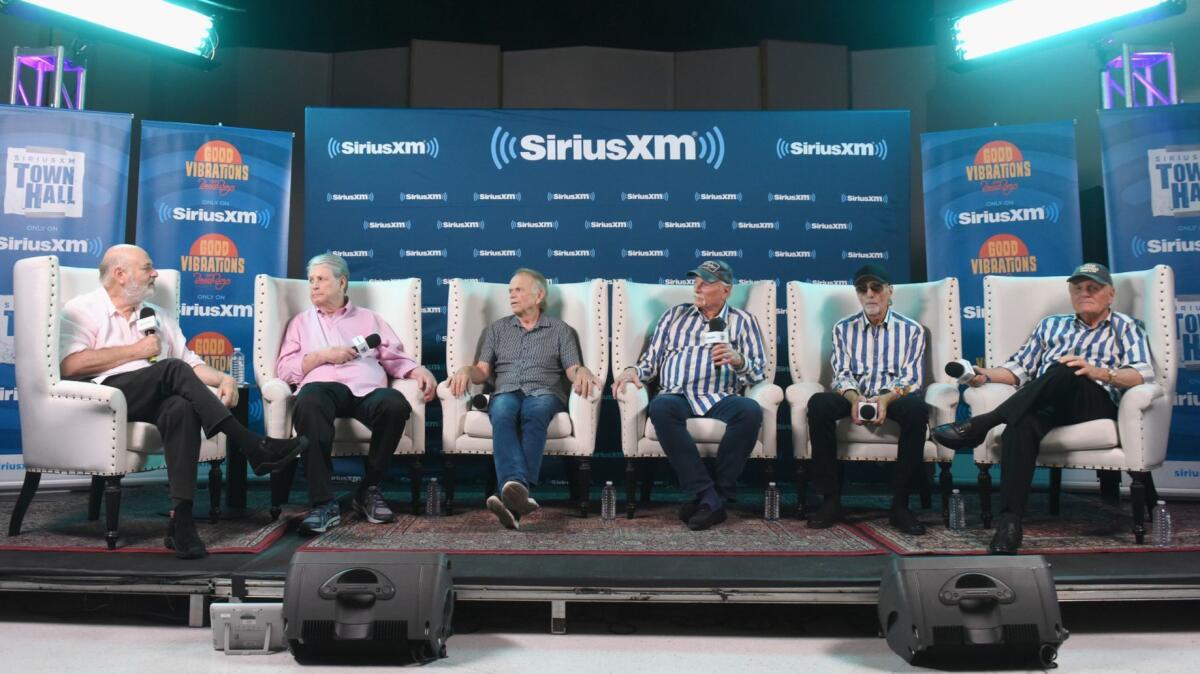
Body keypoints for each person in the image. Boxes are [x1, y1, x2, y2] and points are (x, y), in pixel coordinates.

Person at [60, 245, 307, 559]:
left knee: (182, 407)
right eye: (147, 267)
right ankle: (251, 445)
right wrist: (136, 351)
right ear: (120, 274)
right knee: (172, 369)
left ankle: (183, 521)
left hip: (157, 392)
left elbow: (191, 363)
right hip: (109, 397)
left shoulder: (156, 315)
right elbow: (70, 365)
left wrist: (224, 379)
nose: (155, 274)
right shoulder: (82, 308)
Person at [932, 262, 1154, 554]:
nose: (1084, 293)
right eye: (1078, 288)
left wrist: (1098, 372)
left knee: (1067, 368)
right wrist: (981, 375)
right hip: (1048, 402)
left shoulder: (1125, 326)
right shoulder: (1051, 325)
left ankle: (982, 424)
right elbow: (1018, 370)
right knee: (1018, 427)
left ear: (1110, 294)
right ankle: (1010, 524)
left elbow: (1140, 373)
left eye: (1093, 288)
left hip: (1094, 402)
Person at [276, 254, 437, 534]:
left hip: (367, 390)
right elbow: (285, 370)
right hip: (322, 389)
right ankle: (323, 503)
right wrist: (323, 356)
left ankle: (368, 490)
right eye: (311, 280)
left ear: (342, 282)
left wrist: (417, 371)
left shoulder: (369, 319)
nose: (313, 286)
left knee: (394, 403)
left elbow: (393, 357)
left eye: (321, 279)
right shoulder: (300, 323)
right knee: (309, 400)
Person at [612, 260, 766, 531]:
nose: (697, 286)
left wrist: (738, 360)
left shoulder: (743, 322)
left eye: (706, 282)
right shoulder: (674, 316)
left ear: (726, 290)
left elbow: (758, 374)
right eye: (696, 280)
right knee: (660, 408)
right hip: (676, 394)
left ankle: (712, 496)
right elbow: (651, 362)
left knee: (751, 411)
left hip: (720, 395)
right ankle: (710, 496)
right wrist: (631, 370)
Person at [447, 268, 600, 530]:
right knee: (503, 410)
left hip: (545, 392)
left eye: (518, 290)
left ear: (538, 295)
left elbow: (572, 369)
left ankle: (508, 489)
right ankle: (516, 498)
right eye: (510, 291)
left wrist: (583, 370)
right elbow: (482, 370)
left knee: (535, 411)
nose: (512, 295)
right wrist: (464, 370)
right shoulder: (496, 329)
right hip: (506, 390)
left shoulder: (561, 331)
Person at [804, 264, 929, 535]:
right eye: (863, 289)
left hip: (892, 397)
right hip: (855, 395)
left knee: (918, 409)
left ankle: (901, 505)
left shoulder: (912, 330)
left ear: (889, 291)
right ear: (857, 295)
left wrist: (884, 400)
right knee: (818, 404)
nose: (870, 294)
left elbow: (911, 380)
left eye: (876, 288)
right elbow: (842, 375)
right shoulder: (843, 328)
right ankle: (831, 500)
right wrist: (853, 399)